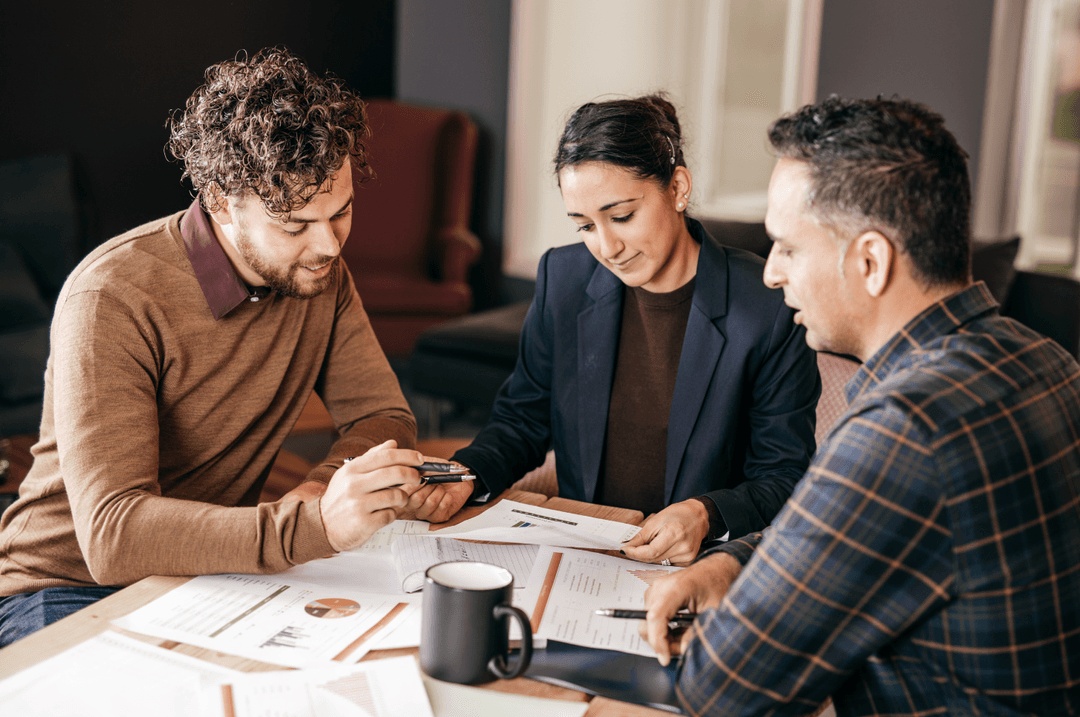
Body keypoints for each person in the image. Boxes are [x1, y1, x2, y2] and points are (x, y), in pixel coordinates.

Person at [641, 96, 1080, 715]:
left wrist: (732, 615)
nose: (770, 274)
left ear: (870, 261)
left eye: (788, 248)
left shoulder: (907, 427)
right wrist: (733, 562)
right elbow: (861, 532)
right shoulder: (1046, 361)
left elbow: (724, 691)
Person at [0, 48, 430, 648]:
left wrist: (322, 487)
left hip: (208, 572)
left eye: (341, 213)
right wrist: (311, 525)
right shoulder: (112, 294)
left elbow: (382, 415)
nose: (330, 246)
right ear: (223, 200)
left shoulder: (320, 273)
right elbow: (114, 536)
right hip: (62, 585)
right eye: (295, 224)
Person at [409, 95, 820, 565]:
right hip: (585, 553)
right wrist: (468, 471)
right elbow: (522, 419)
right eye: (584, 225)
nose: (607, 247)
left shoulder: (767, 305)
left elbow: (784, 474)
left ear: (678, 188)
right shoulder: (563, 279)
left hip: (698, 565)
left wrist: (707, 513)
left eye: (621, 216)